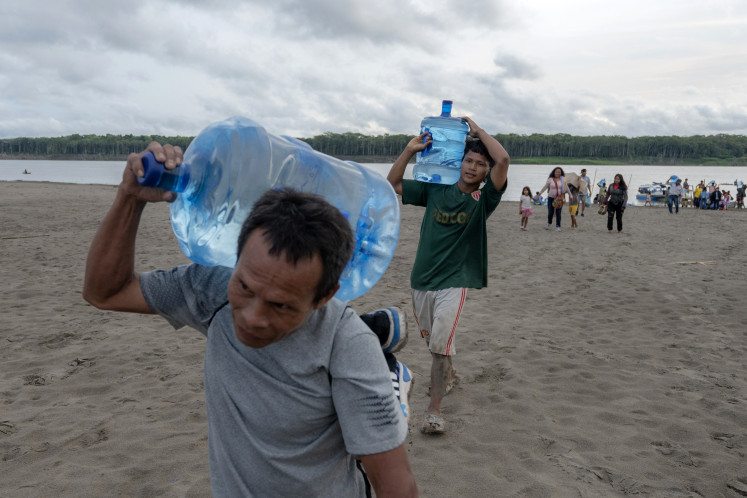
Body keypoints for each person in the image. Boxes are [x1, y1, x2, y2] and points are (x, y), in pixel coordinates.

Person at [83, 144, 418, 497]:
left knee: (368, 424)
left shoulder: (346, 344)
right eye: (244, 286)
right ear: (235, 256)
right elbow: (105, 292)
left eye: (281, 306)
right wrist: (129, 197)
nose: (253, 318)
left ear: (324, 297)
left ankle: (389, 379)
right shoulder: (210, 291)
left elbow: (398, 486)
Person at [386, 117, 510, 435]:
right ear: (460, 162)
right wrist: (408, 152)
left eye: (481, 164)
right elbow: (393, 185)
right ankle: (450, 374)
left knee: (441, 345)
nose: (473, 167)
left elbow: (504, 159)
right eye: (469, 160)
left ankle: (434, 412)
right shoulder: (436, 189)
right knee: (434, 345)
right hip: (422, 279)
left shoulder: (484, 200)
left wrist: (478, 132)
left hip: (455, 280)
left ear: (486, 171)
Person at [537, 167, 568, 231]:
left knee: (558, 213)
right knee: (550, 212)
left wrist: (570, 195)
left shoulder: (563, 180)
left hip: (559, 198)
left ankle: (558, 226)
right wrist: (540, 193)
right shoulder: (550, 179)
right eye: (556, 172)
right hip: (551, 198)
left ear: (561, 173)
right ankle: (549, 223)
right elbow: (545, 187)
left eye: (559, 172)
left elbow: (566, 188)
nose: (558, 173)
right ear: (554, 172)